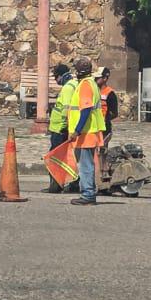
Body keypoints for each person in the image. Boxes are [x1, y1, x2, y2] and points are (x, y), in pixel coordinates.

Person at [68, 57, 105, 206]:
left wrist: (77, 130)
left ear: (78, 71)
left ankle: (88, 194)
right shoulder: (92, 83)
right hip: (90, 131)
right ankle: (88, 192)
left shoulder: (85, 85)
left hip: (85, 133)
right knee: (86, 164)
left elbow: (86, 110)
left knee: (85, 165)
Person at [47, 63, 76, 194]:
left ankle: (56, 185)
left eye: (55, 76)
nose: (54, 79)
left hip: (60, 129)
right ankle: (62, 183)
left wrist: (65, 128)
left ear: (60, 76)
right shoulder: (73, 85)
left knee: (55, 158)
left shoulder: (67, 88)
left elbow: (66, 109)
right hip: (64, 128)